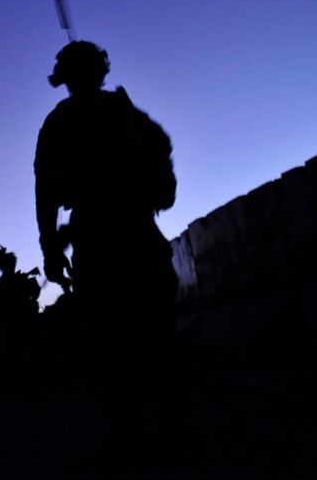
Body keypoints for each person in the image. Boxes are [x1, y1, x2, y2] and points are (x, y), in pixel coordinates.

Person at [34, 41, 184, 450]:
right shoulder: (130, 115)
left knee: (112, 340)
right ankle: (173, 427)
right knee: (157, 332)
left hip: (98, 240)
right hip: (138, 232)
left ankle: (130, 432)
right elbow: (164, 178)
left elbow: (45, 192)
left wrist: (50, 247)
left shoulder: (61, 121)